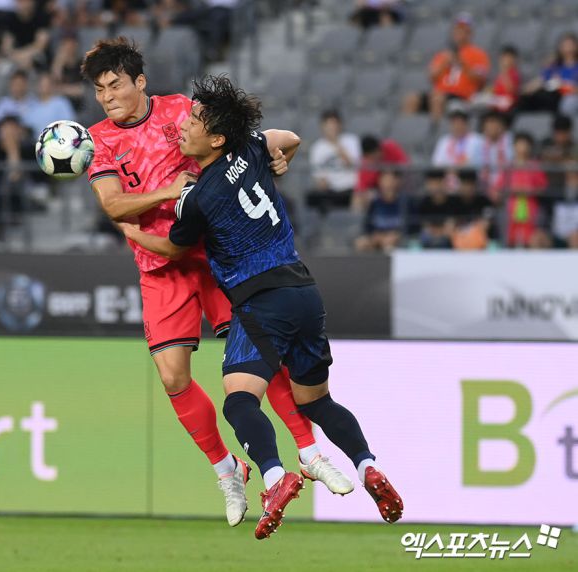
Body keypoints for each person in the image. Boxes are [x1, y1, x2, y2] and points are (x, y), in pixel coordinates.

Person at [81, 38, 352, 527]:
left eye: (115, 85)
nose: (107, 97)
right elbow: (113, 205)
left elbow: (234, 145)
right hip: (160, 264)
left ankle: (309, 452)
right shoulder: (96, 140)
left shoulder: (181, 110)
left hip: (213, 255)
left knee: (262, 355)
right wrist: (169, 191)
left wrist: (275, 158)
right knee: (172, 377)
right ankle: (228, 469)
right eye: (99, 89)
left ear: (140, 81)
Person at [119, 75, 403, 538]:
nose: (183, 126)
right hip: (304, 291)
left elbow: (171, 249)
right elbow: (290, 138)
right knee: (317, 401)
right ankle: (367, 464)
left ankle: (273, 477)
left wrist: (132, 232)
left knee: (238, 402)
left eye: (194, 121)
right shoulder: (250, 148)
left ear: (216, 138)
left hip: (260, 301)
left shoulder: (198, 199)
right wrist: (281, 158)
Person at [306, 110, 360, 214]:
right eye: (328, 125)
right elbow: (319, 177)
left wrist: (336, 144)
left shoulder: (351, 141)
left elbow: (353, 164)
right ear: (322, 127)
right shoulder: (317, 148)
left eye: (334, 124)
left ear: (340, 125)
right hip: (331, 190)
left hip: (350, 188)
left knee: (359, 197)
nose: (332, 128)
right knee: (312, 198)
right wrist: (323, 184)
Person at [355, 168, 413, 252]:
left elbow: (412, 227)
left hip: (397, 240)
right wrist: (376, 236)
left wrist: (397, 235)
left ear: (397, 181)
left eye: (390, 179)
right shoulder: (375, 203)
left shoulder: (406, 203)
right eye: (385, 179)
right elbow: (367, 226)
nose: (388, 183)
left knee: (389, 246)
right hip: (378, 239)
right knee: (361, 243)